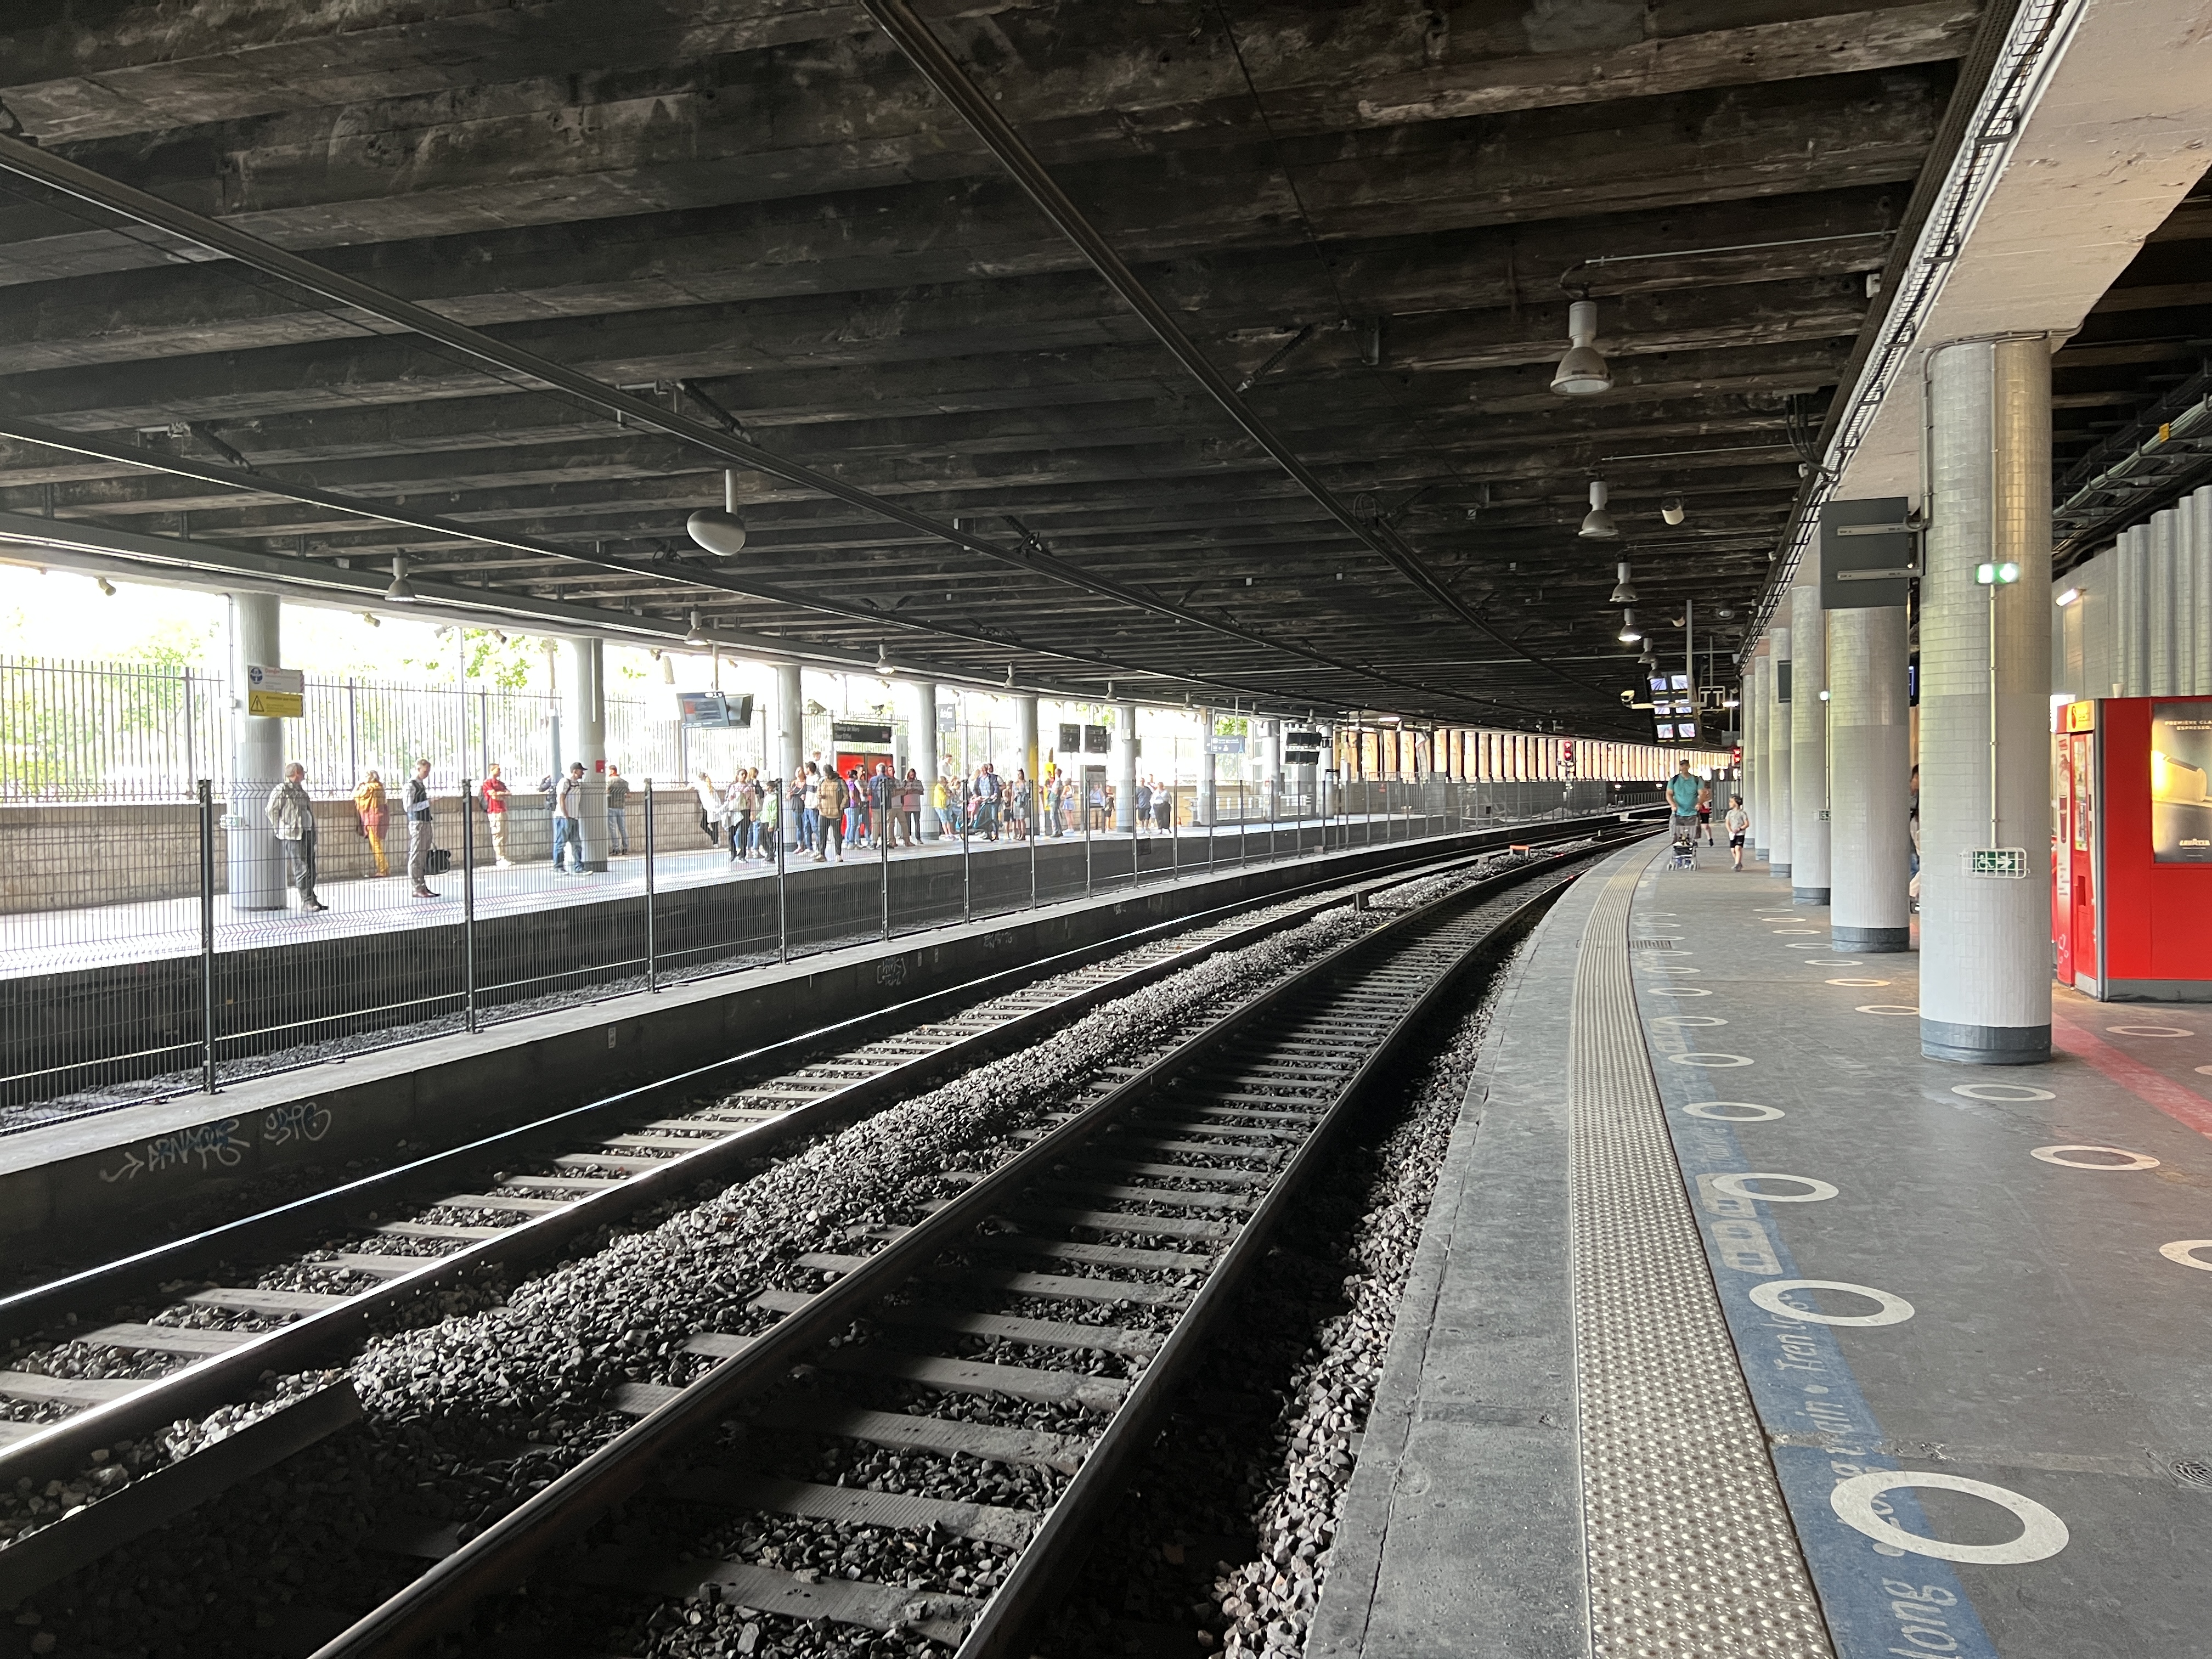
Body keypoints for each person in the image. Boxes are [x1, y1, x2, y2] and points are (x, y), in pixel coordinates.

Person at [267, 763, 328, 912]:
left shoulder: (299, 790)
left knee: (311, 868)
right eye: (302, 772)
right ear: (295, 773)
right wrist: (280, 828)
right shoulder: (282, 790)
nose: (304, 774)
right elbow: (271, 810)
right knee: (302, 868)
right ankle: (306, 902)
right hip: (293, 835)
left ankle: (312, 899)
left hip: (306, 832)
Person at [403, 758, 438, 898]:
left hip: (425, 820)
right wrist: (427, 803)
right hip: (417, 822)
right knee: (416, 855)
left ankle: (422, 886)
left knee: (423, 854)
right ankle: (416, 887)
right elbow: (408, 807)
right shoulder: (410, 786)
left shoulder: (420, 785)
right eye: (425, 771)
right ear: (418, 769)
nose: (427, 774)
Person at [353, 769, 389, 878]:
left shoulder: (368, 788)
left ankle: (382, 870)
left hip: (372, 818)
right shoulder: (380, 787)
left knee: (376, 845)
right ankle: (385, 868)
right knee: (378, 844)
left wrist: (359, 784)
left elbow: (356, 796)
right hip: (382, 817)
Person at [552, 761, 586, 873]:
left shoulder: (577, 784)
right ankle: (558, 866)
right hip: (563, 817)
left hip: (574, 817)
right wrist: (565, 814)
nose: (583, 774)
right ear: (575, 771)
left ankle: (579, 866)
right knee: (560, 842)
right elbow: (561, 799)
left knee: (577, 843)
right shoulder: (565, 782)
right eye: (581, 771)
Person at [479, 764, 512, 867]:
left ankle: (504, 856)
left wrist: (500, 794)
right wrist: (501, 794)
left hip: (503, 810)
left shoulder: (500, 783)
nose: (500, 771)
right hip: (494, 811)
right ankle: (500, 858)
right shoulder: (487, 783)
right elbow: (494, 796)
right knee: (498, 834)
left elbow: (508, 794)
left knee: (505, 834)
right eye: (498, 769)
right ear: (492, 770)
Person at [816, 766, 847, 861]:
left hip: (836, 813)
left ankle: (838, 854)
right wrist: (819, 796)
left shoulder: (840, 782)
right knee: (822, 834)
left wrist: (841, 807)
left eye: (829, 774)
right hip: (823, 813)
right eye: (826, 775)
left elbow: (846, 796)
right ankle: (822, 854)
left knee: (837, 835)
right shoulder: (822, 782)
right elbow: (818, 793)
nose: (827, 777)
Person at [692, 770, 723, 847]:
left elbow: (692, 787)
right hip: (710, 808)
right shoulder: (709, 787)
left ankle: (715, 841)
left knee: (710, 825)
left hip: (710, 808)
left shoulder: (702, 786)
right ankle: (715, 838)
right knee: (712, 825)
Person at [605, 764, 631, 855]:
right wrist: (621, 795)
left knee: (613, 828)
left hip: (611, 806)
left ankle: (616, 849)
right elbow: (628, 795)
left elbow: (606, 792)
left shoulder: (609, 782)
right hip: (621, 807)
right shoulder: (624, 782)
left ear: (612, 771)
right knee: (623, 828)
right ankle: (626, 848)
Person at [1725, 795, 1751, 872]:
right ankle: (1739, 863)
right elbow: (1727, 823)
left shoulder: (1743, 813)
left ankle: (1736, 865)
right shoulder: (1730, 813)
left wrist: (1739, 829)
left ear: (1736, 803)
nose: (1730, 803)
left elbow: (1747, 824)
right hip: (1733, 834)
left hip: (1740, 834)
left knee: (1738, 848)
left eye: (1731, 802)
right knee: (1733, 850)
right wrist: (1730, 831)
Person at [1696, 777, 1714, 845]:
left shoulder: (1706, 790)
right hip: (1696, 809)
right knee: (1696, 826)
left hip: (1704, 809)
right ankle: (1695, 840)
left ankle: (1710, 838)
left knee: (1706, 826)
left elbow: (1709, 797)